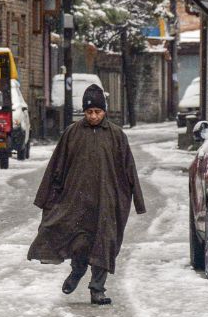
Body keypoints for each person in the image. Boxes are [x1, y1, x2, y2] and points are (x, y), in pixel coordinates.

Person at [28, 84, 146, 305]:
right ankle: (78, 270)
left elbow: (129, 168)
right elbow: (56, 167)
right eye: (89, 112)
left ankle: (97, 289)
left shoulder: (116, 136)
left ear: (105, 111)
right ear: (83, 112)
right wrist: (46, 198)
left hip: (107, 200)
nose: (93, 116)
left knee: (104, 241)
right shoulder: (72, 134)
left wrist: (137, 201)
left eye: (98, 112)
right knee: (80, 242)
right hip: (77, 200)